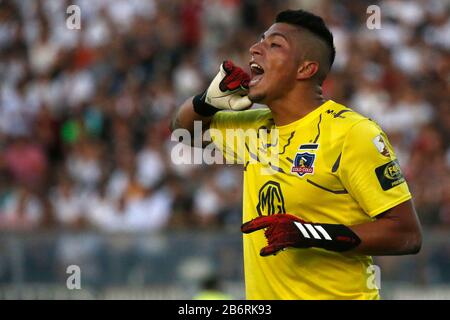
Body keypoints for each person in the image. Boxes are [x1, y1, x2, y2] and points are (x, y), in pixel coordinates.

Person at [170, 9, 422, 300]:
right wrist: (207, 101)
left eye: (274, 44)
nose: (255, 49)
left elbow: (407, 234)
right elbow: (182, 131)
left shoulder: (352, 134)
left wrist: (310, 233)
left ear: (306, 69)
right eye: (260, 41)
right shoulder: (255, 126)